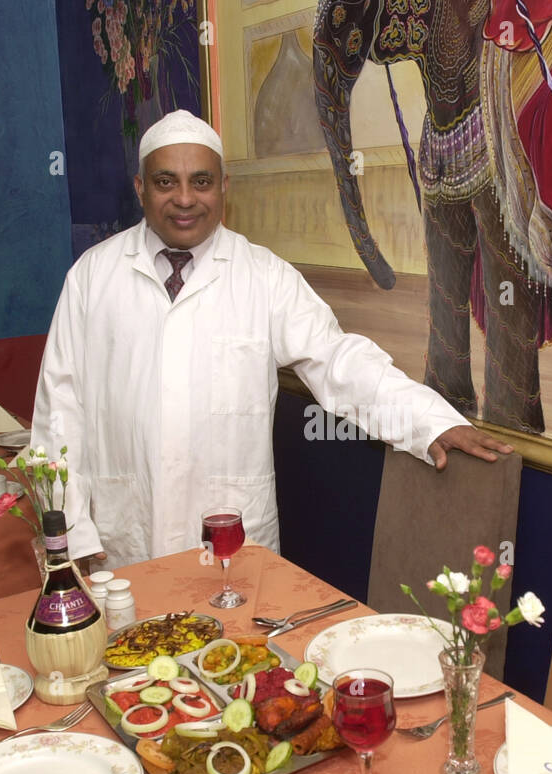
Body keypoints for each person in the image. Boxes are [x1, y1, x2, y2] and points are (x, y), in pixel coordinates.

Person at [33, 110, 511, 569]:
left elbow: (338, 361)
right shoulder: (92, 277)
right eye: (165, 182)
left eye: (201, 181)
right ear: (140, 188)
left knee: (236, 649)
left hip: (231, 544)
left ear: (224, 188)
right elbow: (59, 410)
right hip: (123, 541)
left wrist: (429, 421)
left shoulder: (264, 276)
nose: (184, 198)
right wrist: (69, 530)